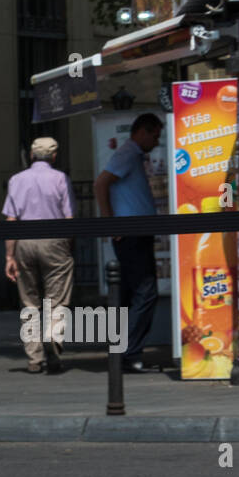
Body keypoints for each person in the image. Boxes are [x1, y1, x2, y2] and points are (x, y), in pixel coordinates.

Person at [94, 113, 164, 371]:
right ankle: (129, 354)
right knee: (145, 292)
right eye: (154, 135)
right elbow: (101, 183)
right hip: (131, 233)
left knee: (130, 293)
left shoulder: (133, 155)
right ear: (142, 132)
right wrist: (110, 221)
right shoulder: (128, 153)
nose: (156, 142)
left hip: (135, 232)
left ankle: (123, 353)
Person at [4, 136, 76, 374]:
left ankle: (34, 358)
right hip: (54, 240)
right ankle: (53, 343)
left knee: (29, 301)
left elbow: (11, 219)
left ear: (32, 155)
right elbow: (69, 217)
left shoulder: (16, 180)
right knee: (56, 299)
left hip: (24, 239)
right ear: (54, 157)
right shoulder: (60, 179)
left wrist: (9, 256)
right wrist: (68, 245)